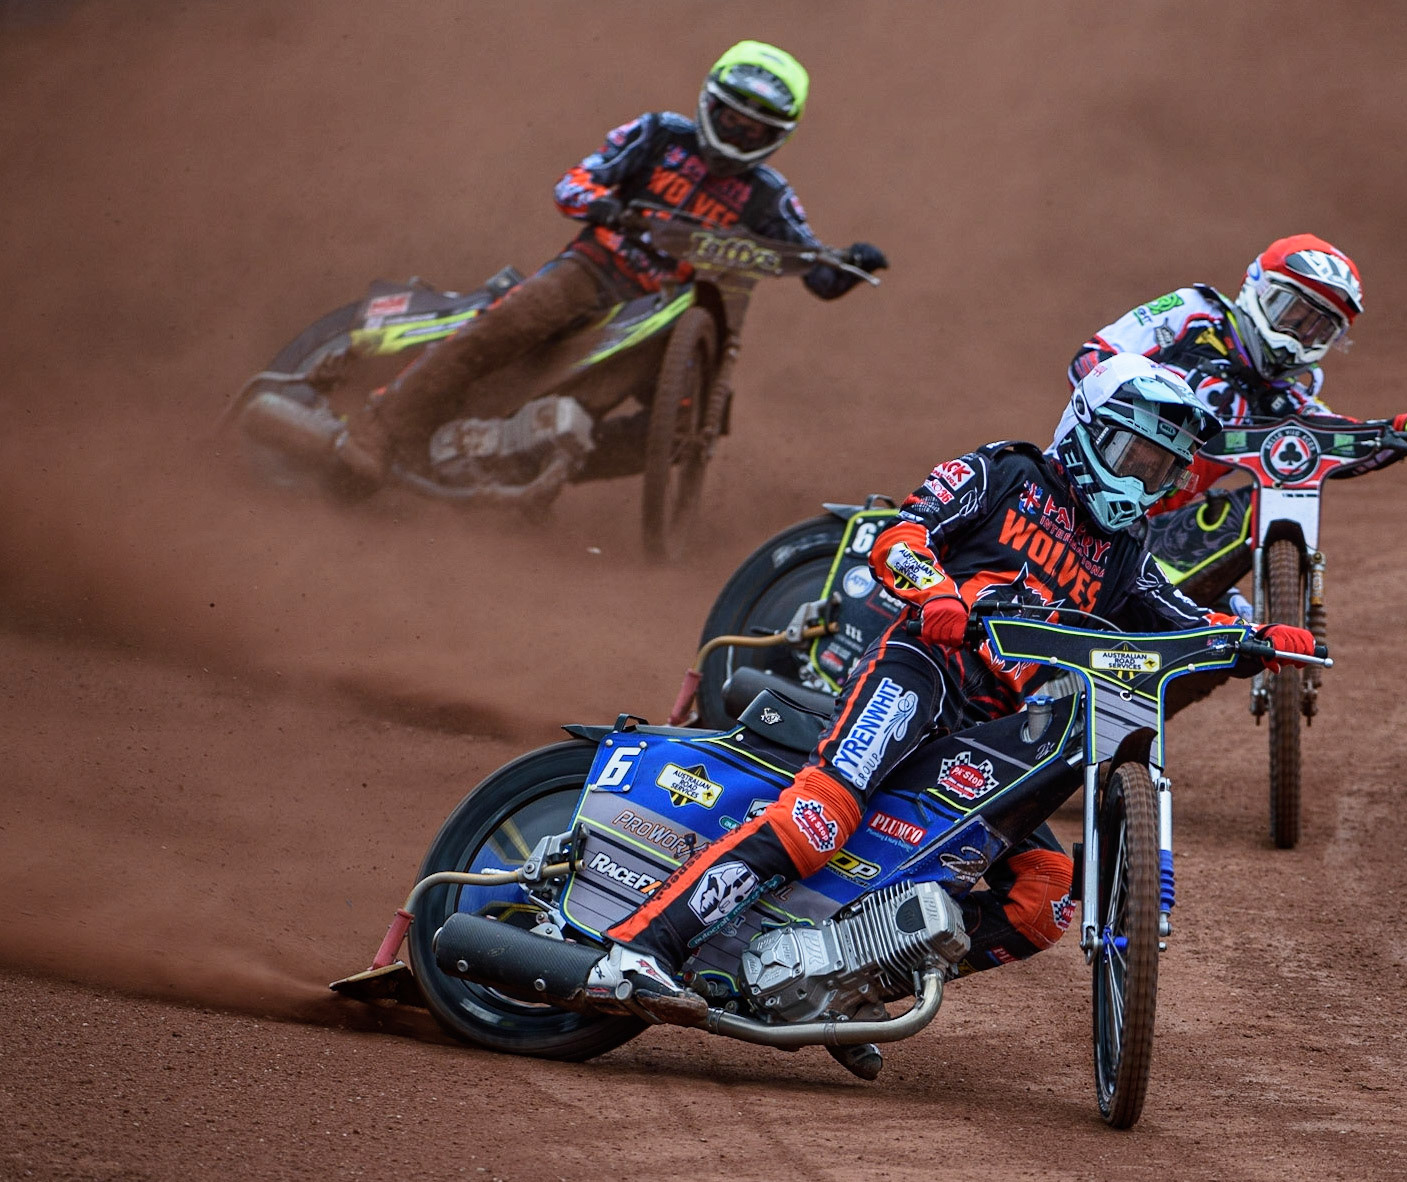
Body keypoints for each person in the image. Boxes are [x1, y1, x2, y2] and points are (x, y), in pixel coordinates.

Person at [586, 353, 1318, 1075]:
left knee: (1043, 897)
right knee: (821, 817)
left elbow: (1181, 621)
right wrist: (936, 591)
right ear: (1087, 428)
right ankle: (640, 949)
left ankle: (851, 982)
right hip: (921, 668)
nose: (1143, 480)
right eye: (1135, 456)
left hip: (989, 726)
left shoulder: (1124, 552)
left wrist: (1257, 640)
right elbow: (900, 536)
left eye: (1161, 469)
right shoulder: (1007, 472)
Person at [336, 40, 888, 484]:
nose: (738, 133)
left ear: (777, 137)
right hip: (596, 269)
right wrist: (602, 204)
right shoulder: (658, 134)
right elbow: (572, 184)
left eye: (754, 129)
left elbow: (812, 267)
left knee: (691, 426)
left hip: (667, 315)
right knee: (512, 322)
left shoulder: (770, 196)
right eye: (731, 117)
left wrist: (849, 265)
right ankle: (381, 426)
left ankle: (530, 462)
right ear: (708, 103)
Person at [1053, 234, 1407, 591]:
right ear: (1257, 287)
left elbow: (1333, 442)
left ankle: (1188, 605)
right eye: (1291, 312)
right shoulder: (1194, 312)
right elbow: (1091, 359)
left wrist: (1399, 430)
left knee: (1267, 513)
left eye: (1317, 329)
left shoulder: (1288, 401)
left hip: (1155, 536)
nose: (1297, 336)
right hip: (1080, 498)